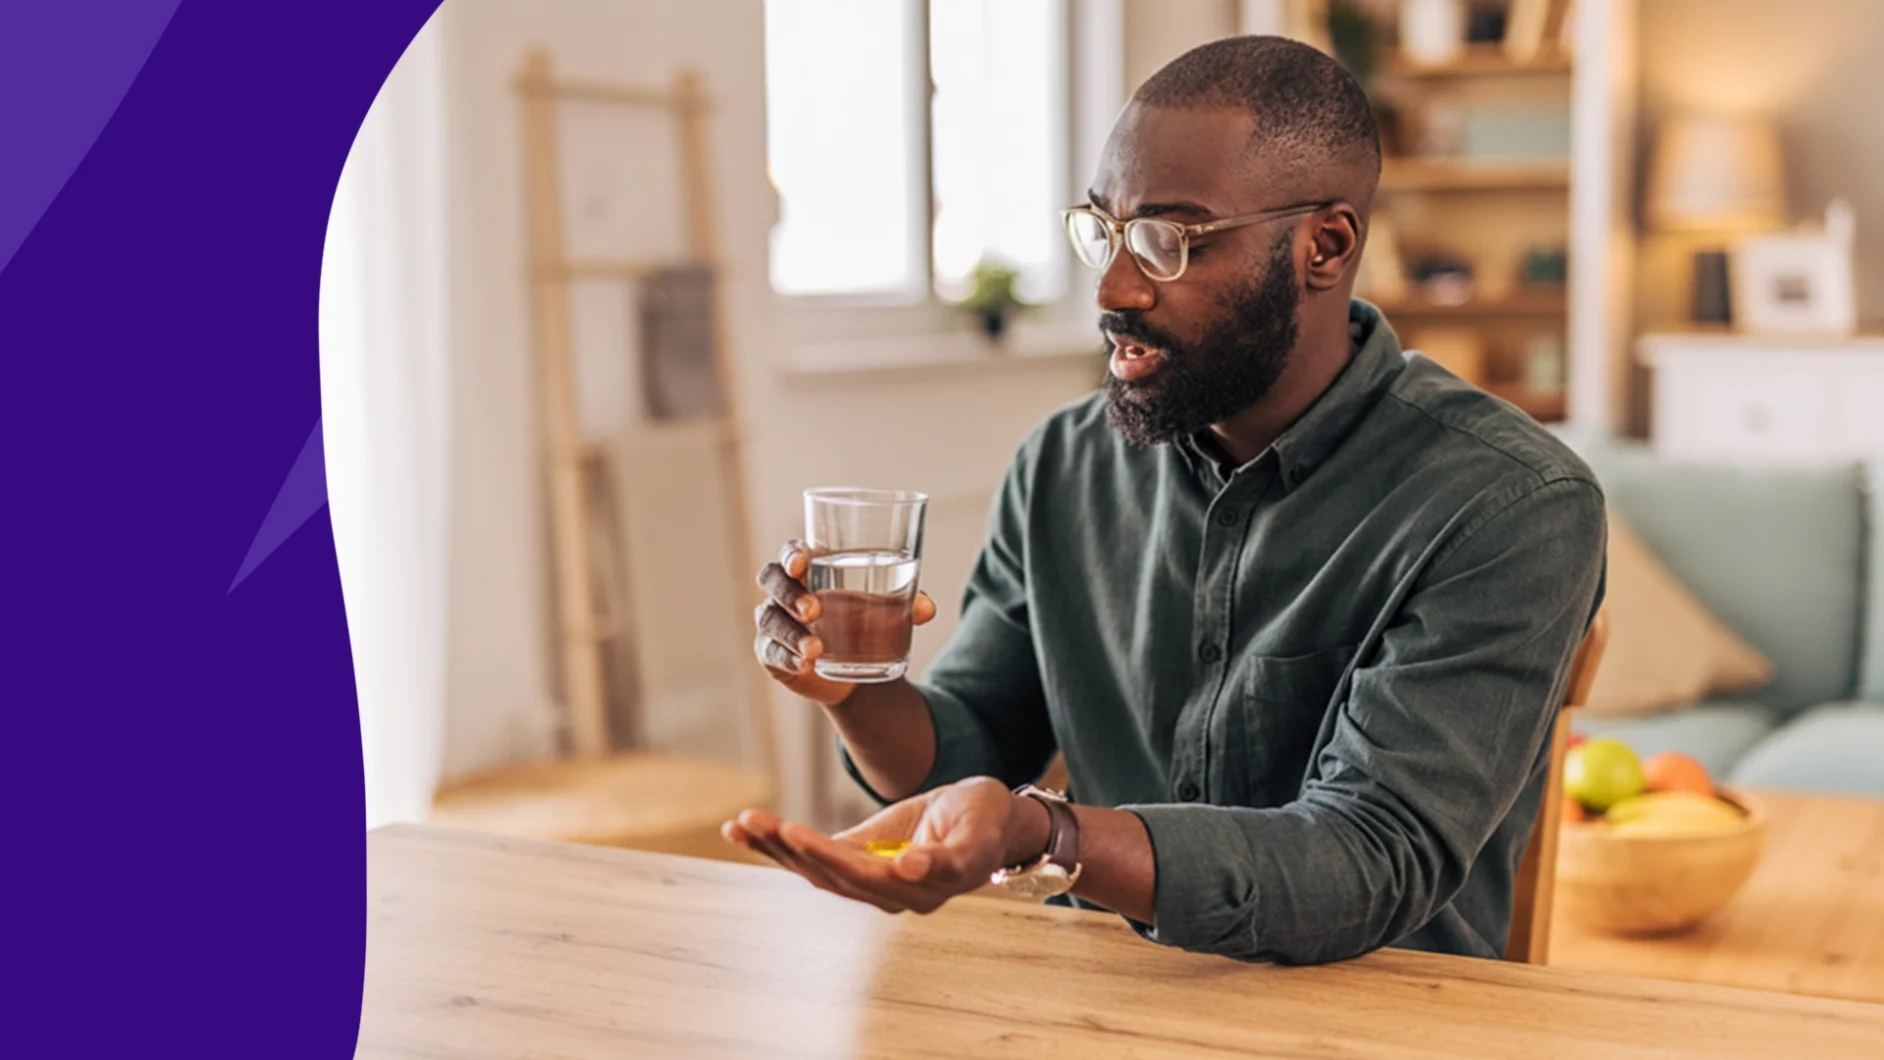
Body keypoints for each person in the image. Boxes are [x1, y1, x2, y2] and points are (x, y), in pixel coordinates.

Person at [725, 35, 1606, 965]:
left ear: (1325, 245)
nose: (1112, 289)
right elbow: (969, 759)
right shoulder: (1062, 467)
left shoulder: (1510, 503)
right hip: (1103, 999)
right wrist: (852, 694)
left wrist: (1053, 836)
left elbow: (1368, 855)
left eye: (1169, 240)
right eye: (1104, 230)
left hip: (1381, 1015)